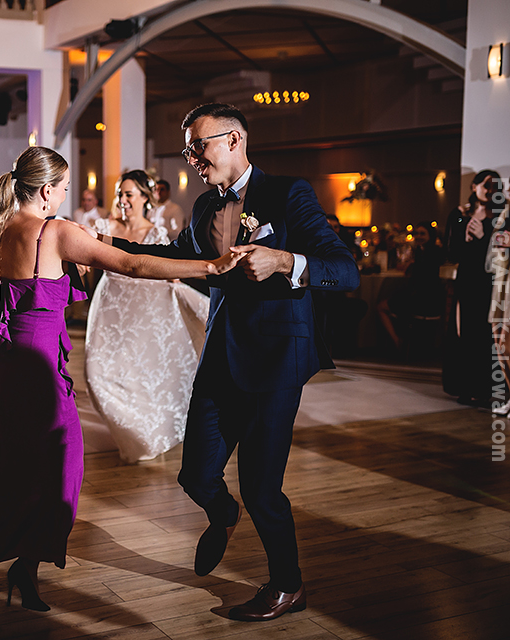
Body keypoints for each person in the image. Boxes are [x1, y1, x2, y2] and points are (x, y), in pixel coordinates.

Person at [0, 145, 242, 639]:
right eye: (63, 188)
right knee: (60, 466)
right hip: (33, 364)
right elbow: (133, 264)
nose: (66, 196)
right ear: (46, 191)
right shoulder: (55, 231)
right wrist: (210, 268)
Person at [103, 103, 359, 621]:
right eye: (188, 150)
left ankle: (287, 586)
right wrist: (103, 245)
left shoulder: (288, 193)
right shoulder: (204, 207)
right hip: (222, 355)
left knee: (262, 490)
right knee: (195, 475)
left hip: (276, 362)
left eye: (198, 146)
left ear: (234, 140)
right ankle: (222, 514)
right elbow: (177, 258)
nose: (192, 158)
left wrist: (285, 260)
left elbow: (345, 269)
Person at [86, 170, 210, 463]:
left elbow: (164, 268)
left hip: (146, 308)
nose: (123, 200)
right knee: (96, 374)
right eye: (120, 194)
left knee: (141, 375)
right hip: (110, 306)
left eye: (129, 194)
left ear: (145, 198)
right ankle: (130, 434)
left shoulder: (156, 233)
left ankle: (144, 436)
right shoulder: (103, 227)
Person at [443, 170, 504, 407]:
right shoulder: (460, 214)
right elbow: (451, 252)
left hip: (488, 282)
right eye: (486, 185)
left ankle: (483, 389)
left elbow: (500, 254)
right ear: (474, 186)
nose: (489, 190)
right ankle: (465, 386)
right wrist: (466, 238)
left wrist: (483, 236)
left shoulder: (501, 216)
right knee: (463, 332)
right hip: (467, 279)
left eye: (494, 186)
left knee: (484, 334)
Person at [377, 221, 445, 351]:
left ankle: (398, 342)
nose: (418, 236)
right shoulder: (421, 251)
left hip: (422, 300)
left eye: (422, 234)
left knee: (381, 306)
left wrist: (411, 266)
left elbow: (419, 279)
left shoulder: (432, 253)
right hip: (425, 298)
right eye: (417, 233)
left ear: (430, 235)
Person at [488, 188, 510, 415]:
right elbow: (493, 246)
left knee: (507, 340)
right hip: (502, 280)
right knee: (498, 340)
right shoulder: (505, 212)